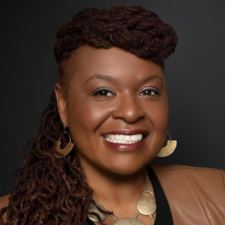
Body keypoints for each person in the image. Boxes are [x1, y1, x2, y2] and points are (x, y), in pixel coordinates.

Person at [0, 5, 224, 225]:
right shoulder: (12, 217)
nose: (130, 112)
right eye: (103, 92)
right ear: (63, 105)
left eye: (148, 91)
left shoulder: (218, 193)